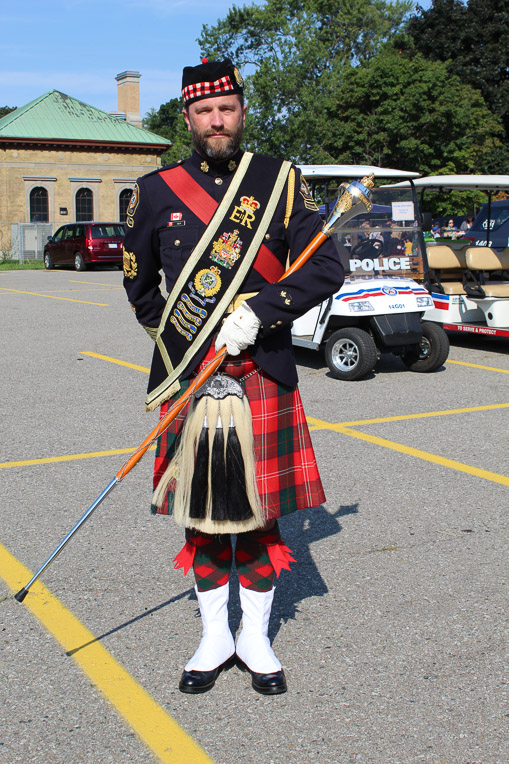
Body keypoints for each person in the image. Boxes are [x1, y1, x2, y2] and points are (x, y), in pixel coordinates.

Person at [122, 58, 344, 696]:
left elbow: (325, 267)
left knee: (261, 511)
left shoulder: (279, 181)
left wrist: (260, 312)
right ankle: (215, 634)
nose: (217, 121)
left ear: (242, 112)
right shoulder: (155, 190)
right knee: (201, 512)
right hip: (194, 373)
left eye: (227, 109)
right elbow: (140, 286)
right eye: (204, 112)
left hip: (262, 366)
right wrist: (183, 341)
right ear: (187, 118)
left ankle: (256, 637)